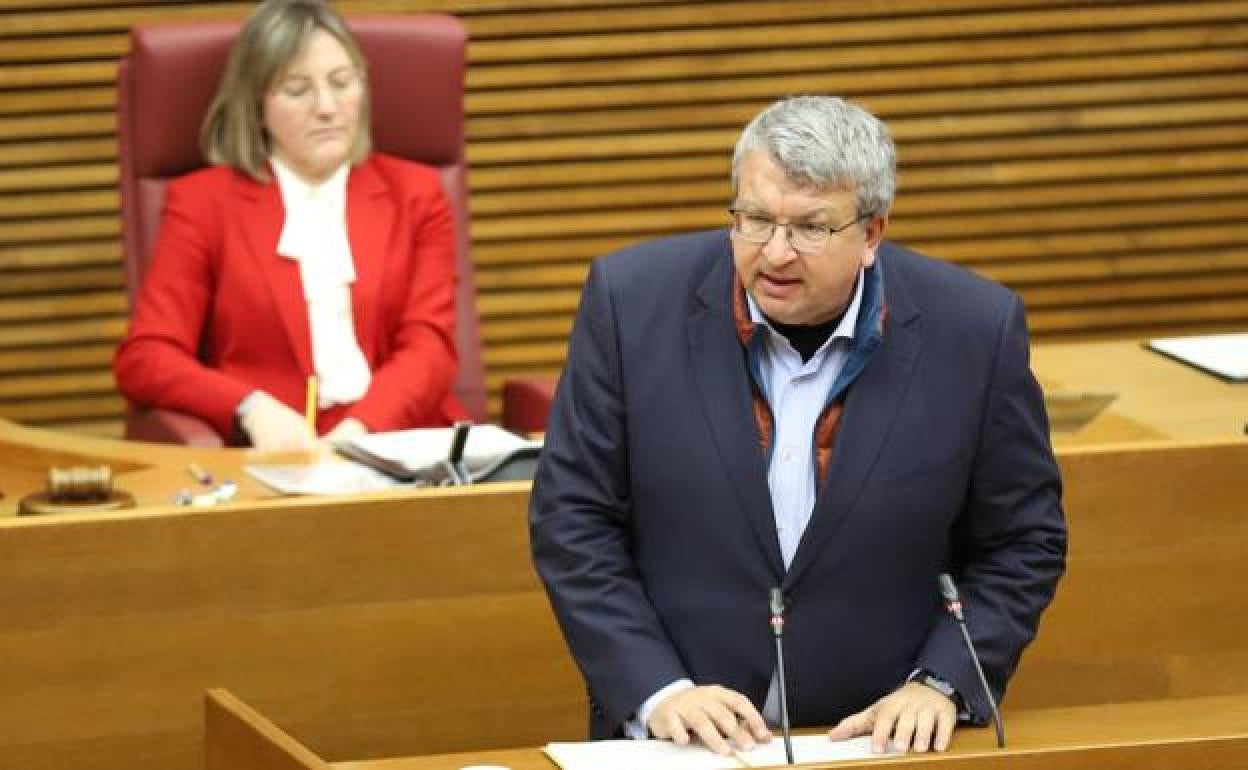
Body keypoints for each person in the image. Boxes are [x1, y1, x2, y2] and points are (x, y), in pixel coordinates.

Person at [529, 96, 1067, 755]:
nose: (775, 253)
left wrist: (942, 682)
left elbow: (1024, 540)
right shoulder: (629, 302)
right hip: (680, 738)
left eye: (811, 228)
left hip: (872, 739)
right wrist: (658, 689)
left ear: (872, 233)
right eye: (754, 220)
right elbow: (572, 519)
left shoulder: (976, 331)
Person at [114, 0, 465, 451]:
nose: (327, 107)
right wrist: (249, 406)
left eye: (342, 83)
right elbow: (146, 358)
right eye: (298, 90)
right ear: (257, 106)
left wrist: (361, 432)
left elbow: (430, 348)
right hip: (278, 453)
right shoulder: (204, 203)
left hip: (401, 439)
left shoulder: (416, 194)